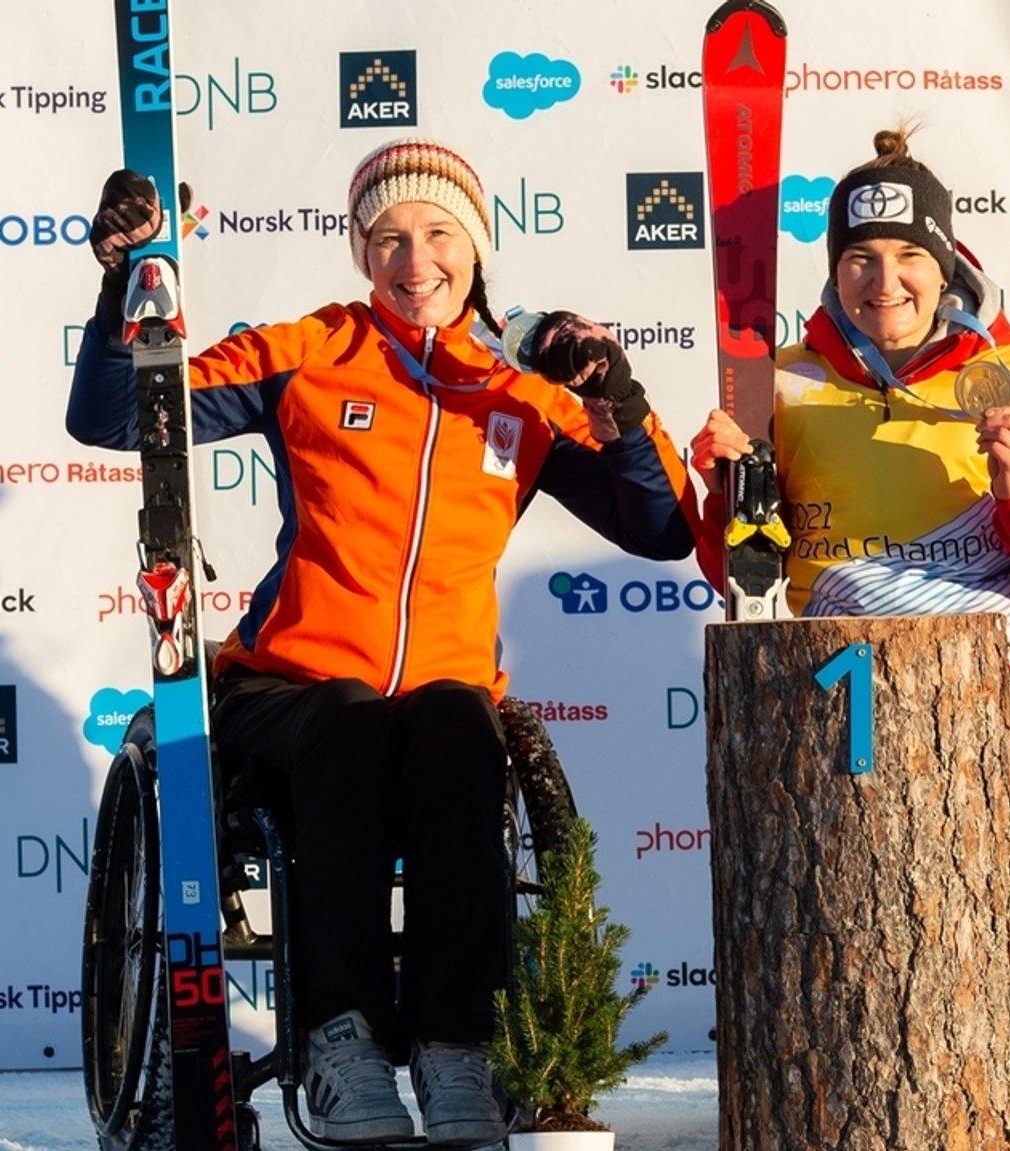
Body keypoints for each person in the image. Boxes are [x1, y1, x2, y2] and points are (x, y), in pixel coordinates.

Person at [68, 138, 698, 1144]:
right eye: (390, 237)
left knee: (457, 723)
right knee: (353, 724)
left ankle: (456, 1050)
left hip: (443, 686)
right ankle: (339, 1041)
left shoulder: (519, 392)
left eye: (440, 232)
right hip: (291, 684)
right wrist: (124, 286)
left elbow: (663, 530)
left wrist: (621, 406)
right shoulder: (307, 351)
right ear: (362, 255)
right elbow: (115, 420)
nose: (416, 259)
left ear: (477, 248)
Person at [688, 125, 1010, 839]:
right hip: (835, 685)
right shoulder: (780, 384)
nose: (884, 284)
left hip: (1003, 685)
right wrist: (728, 495)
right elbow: (744, 585)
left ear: (945, 264)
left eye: (909, 256)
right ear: (834, 270)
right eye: (860, 258)